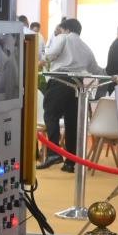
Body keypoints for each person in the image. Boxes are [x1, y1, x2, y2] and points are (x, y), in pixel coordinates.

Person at [38, 18, 102, 170]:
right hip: (77, 85)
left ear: (66, 29)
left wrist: (42, 58)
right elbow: (96, 70)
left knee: (51, 115)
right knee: (72, 122)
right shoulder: (86, 47)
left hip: (60, 81)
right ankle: (71, 162)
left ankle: (53, 153)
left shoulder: (64, 37)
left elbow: (49, 55)